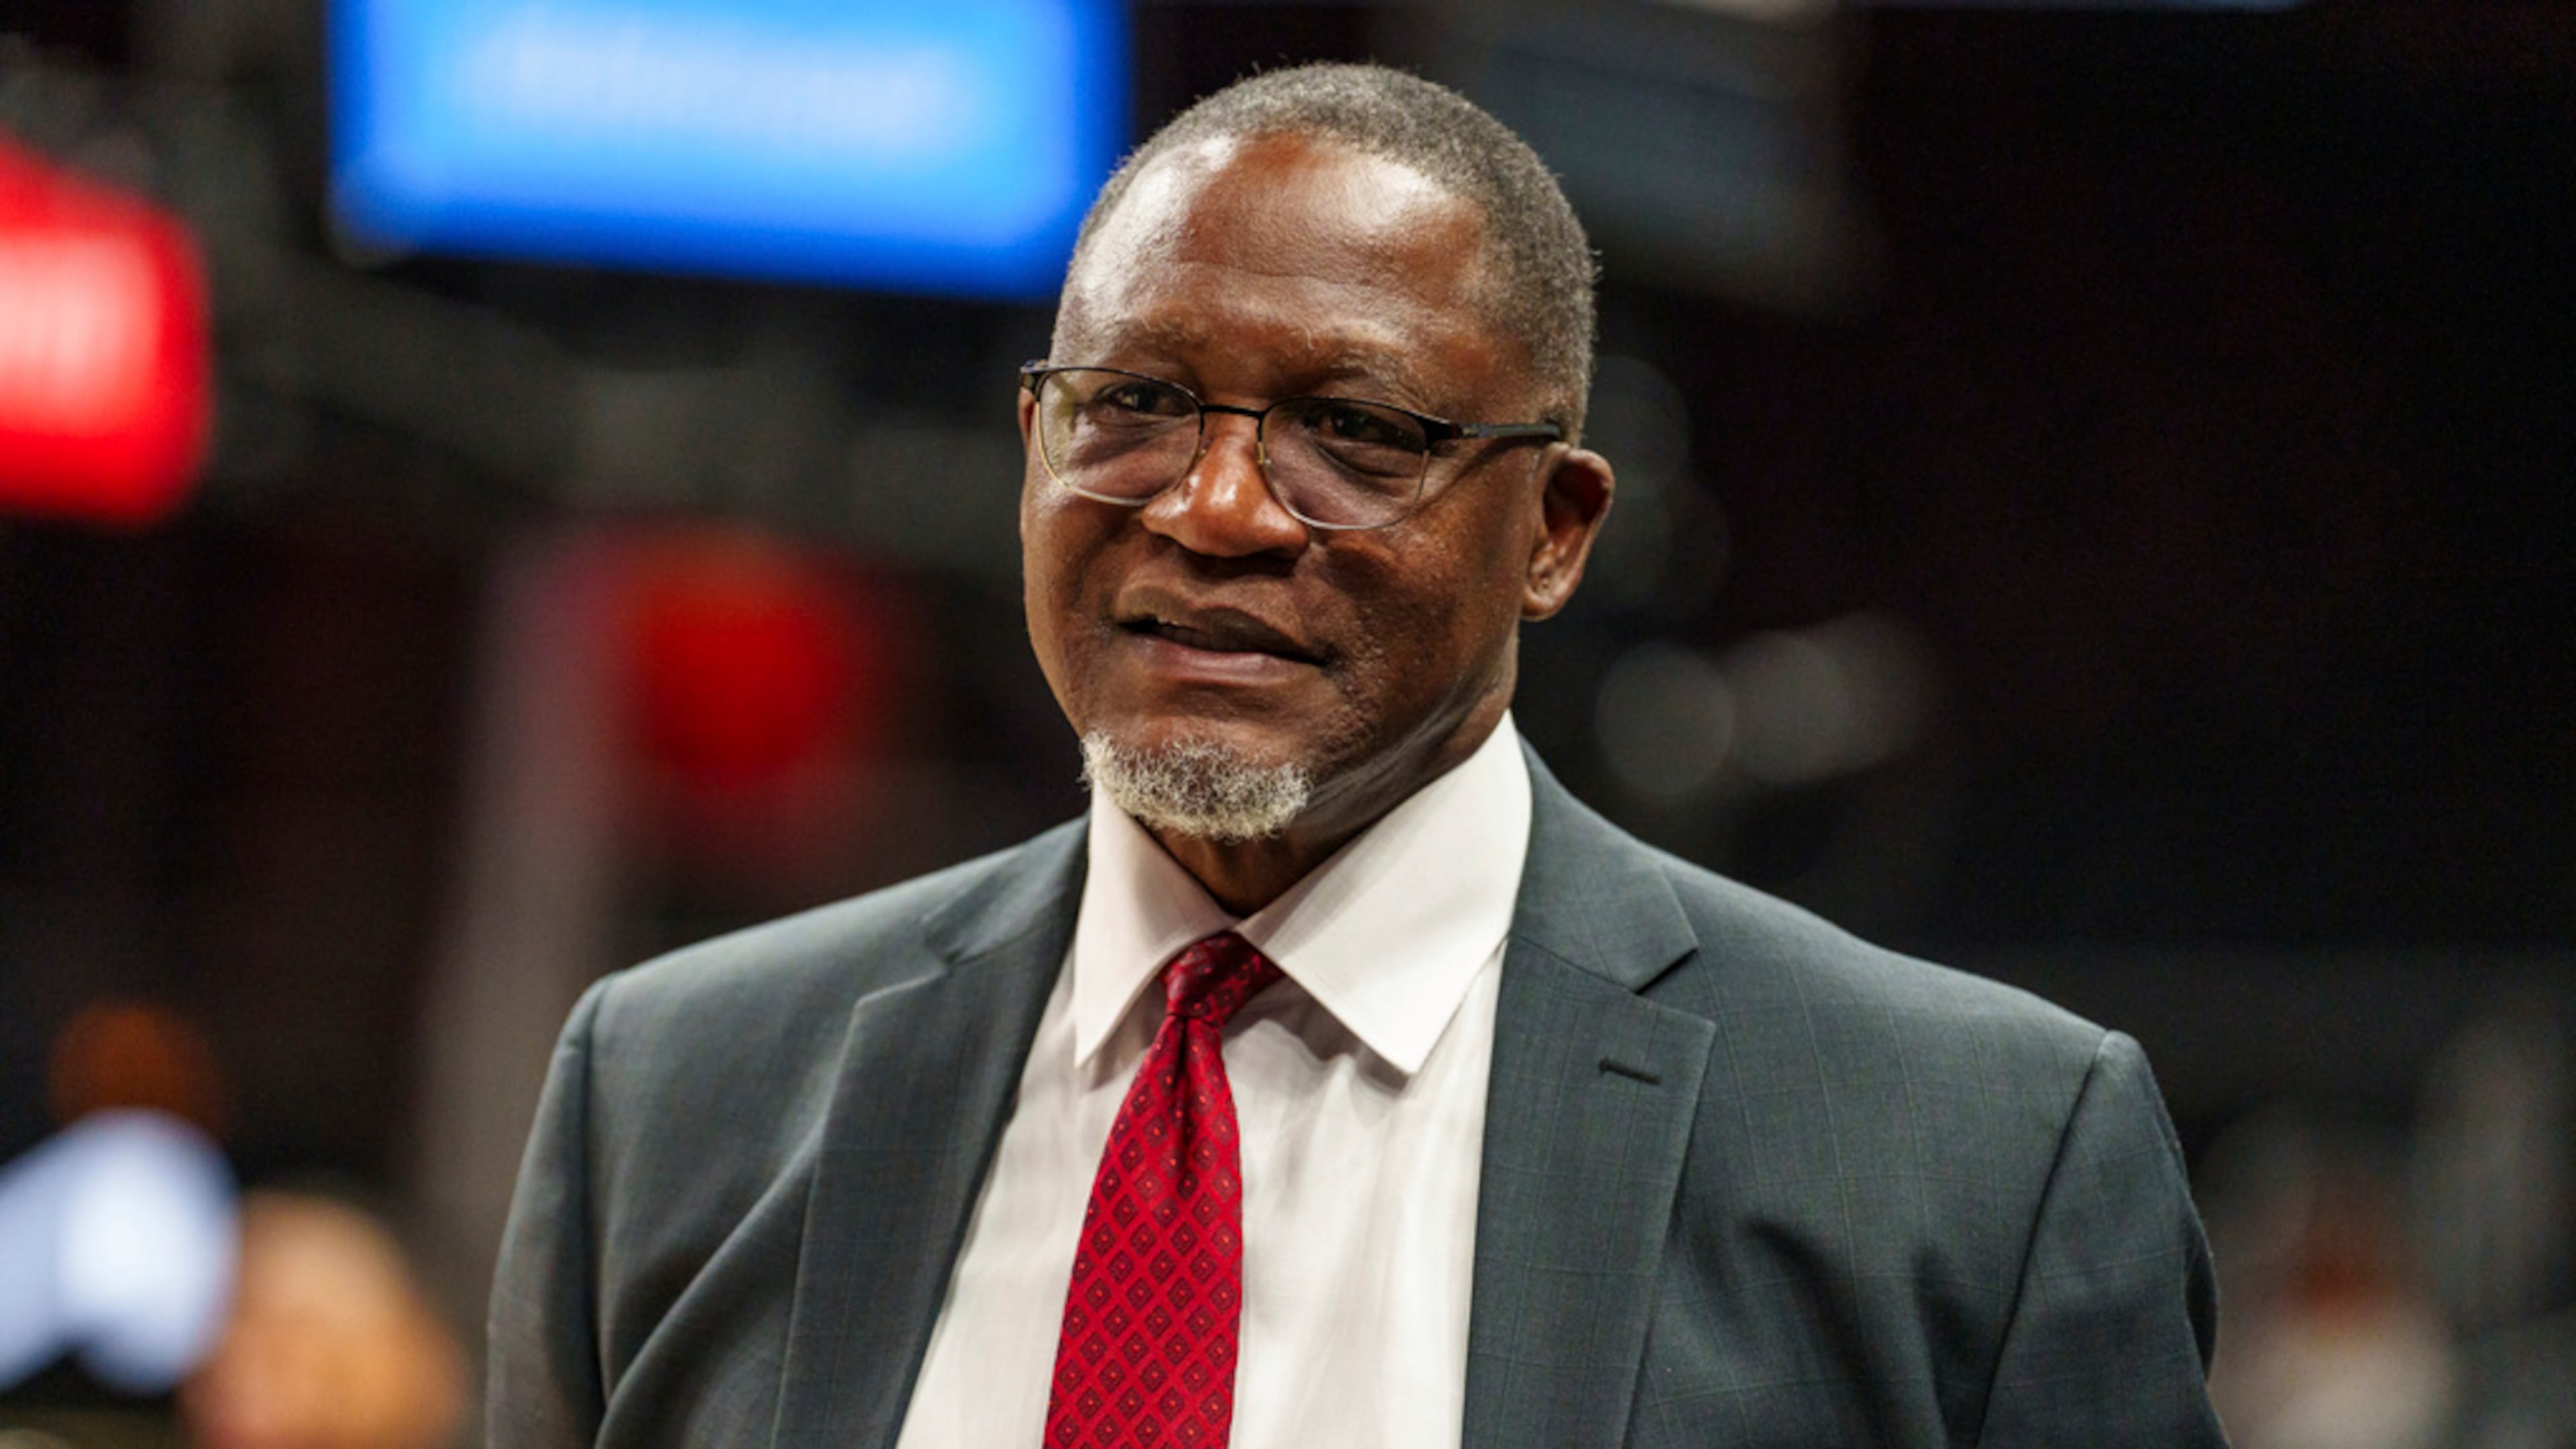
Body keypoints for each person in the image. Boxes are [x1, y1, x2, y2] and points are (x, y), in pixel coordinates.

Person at [487, 63, 2226, 1448]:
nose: (1218, 507)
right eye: (1137, 404)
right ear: (1034, 441)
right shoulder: (672, 1093)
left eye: (1355, 430)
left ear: (1555, 529)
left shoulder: (1971, 1162)